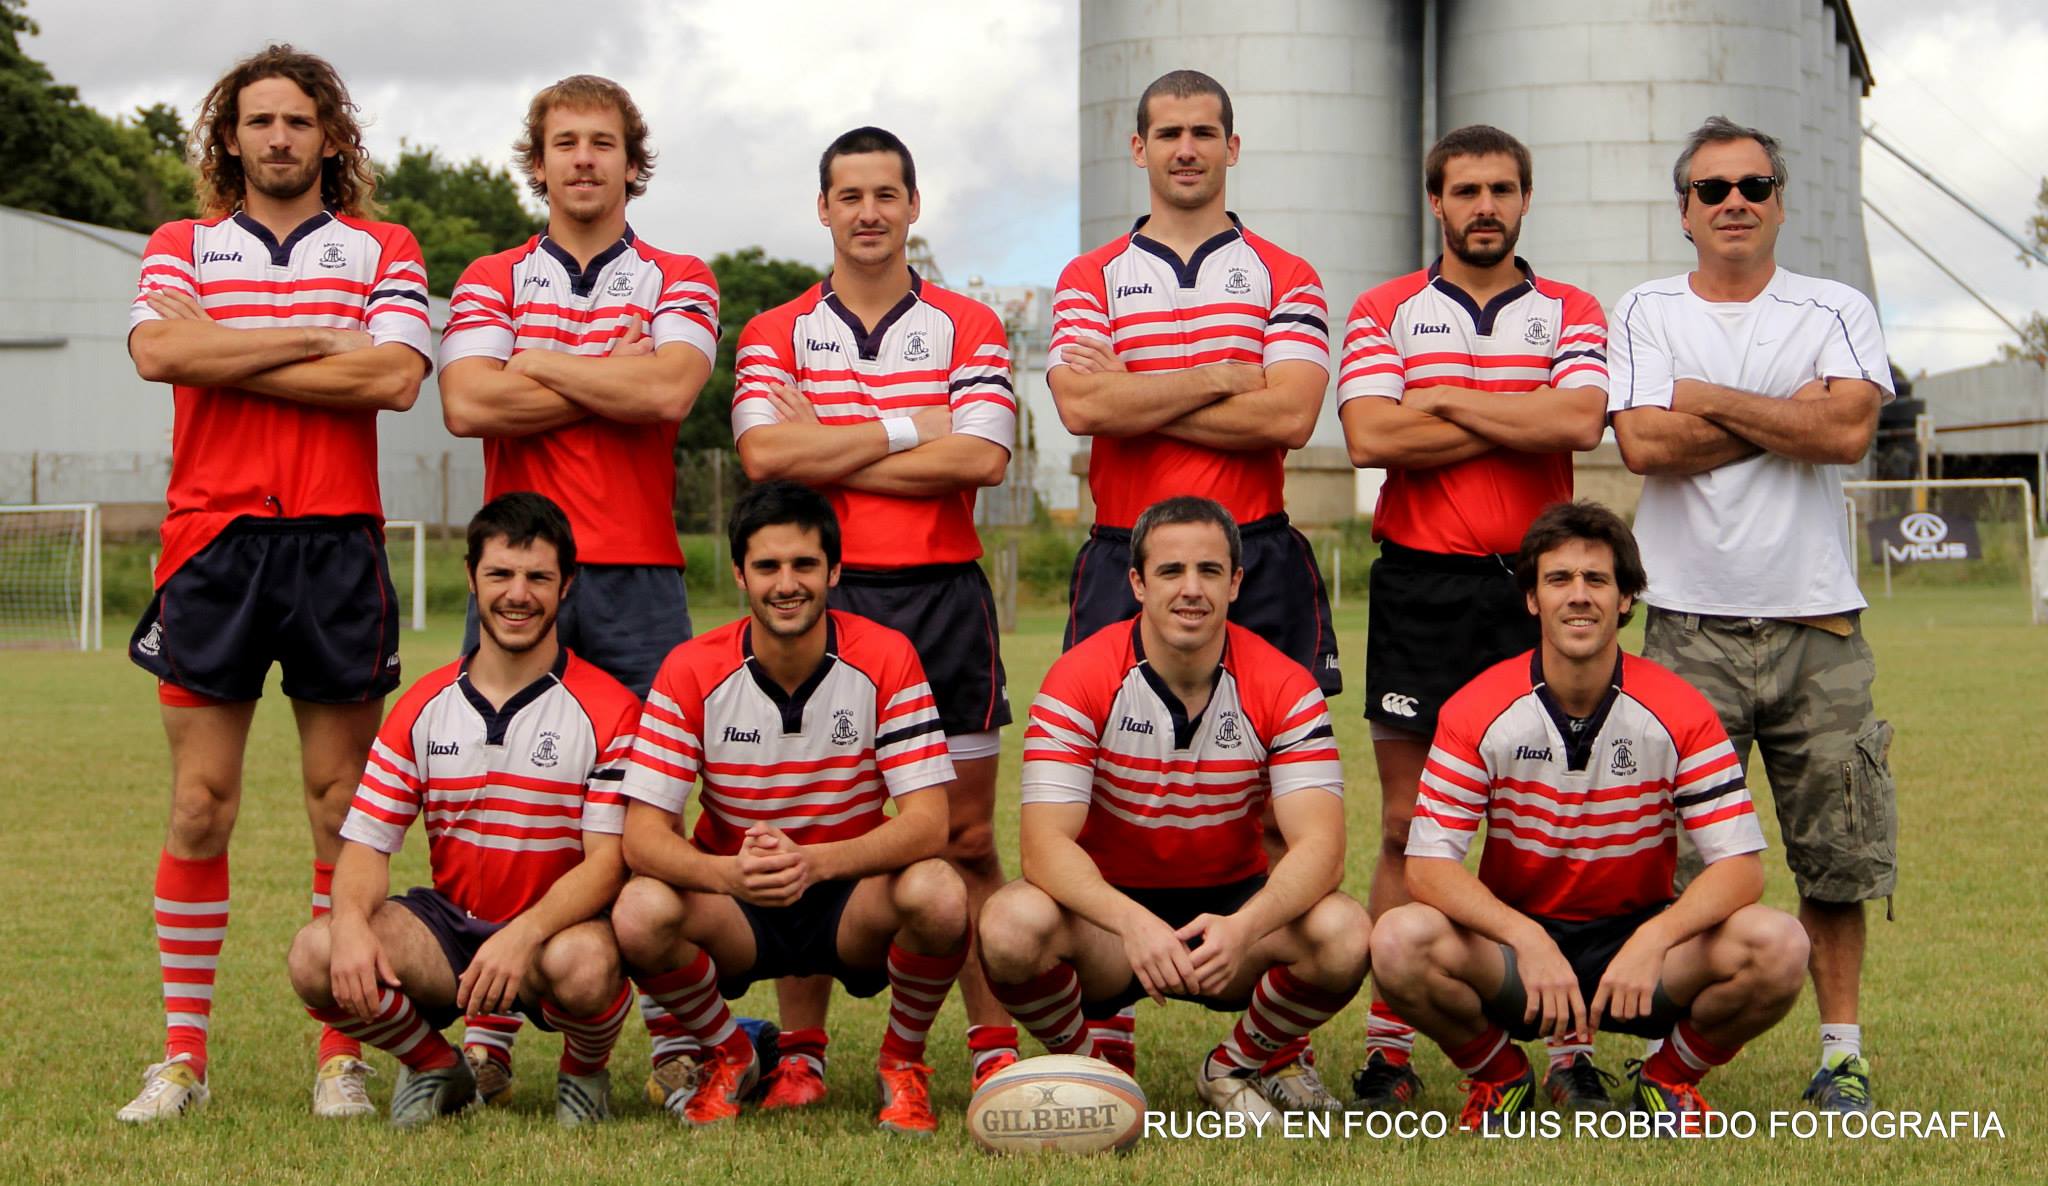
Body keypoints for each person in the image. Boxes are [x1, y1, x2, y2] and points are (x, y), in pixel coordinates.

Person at [118, 44, 432, 1123]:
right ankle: (181, 1060)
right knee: (200, 804)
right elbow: (161, 354)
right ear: (231, 138)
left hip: (336, 542)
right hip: (212, 541)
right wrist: (310, 337)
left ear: (330, 136)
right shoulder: (183, 242)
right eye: (259, 122)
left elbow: (392, 375)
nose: (280, 139)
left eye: (299, 121)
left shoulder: (383, 246)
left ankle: (339, 1055)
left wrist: (231, 345)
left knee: (339, 809)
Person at [1044, 65, 1340, 1085]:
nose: (1183, 147)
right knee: (1104, 783)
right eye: (1165, 131)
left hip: (1255, 547)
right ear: (1136, 148)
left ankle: (1268, 1043)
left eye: (1202, 131)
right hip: (1119, 547)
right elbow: (1080, 410)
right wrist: (1220, 374)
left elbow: (1290, 417)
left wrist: (1138, 389)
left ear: (1230, 146)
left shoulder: (1287, 274)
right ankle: (1109, 1006)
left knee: (1269, 795)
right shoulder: (1089, 276)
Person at [437, 73, 721, 1105]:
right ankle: (489, 1029)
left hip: (639, 570)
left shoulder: (681, 273)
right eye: (565, 142)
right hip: (519, 565)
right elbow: (467, 402)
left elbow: (669, 388)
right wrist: (600, 364)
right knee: (501, 796)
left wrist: (536, 362)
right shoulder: (488, 272)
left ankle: (672, 1036)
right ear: (540, 161)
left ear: (630, 161)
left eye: (603, 142)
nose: (584, 158)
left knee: (646, 807)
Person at [1607, 115, 1896, 1113]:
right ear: (1681, 209)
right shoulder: (1644, 307)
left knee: (1837, 853)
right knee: (1679, 856)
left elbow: (1849, 429)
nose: (1734, 201)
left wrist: (1707, 398)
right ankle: (1676, 1057)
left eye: (1753, 185)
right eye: (1712, 188)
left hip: (1819, 626)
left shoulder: (1834, 304)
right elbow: (1642, 444)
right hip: (1686, 627)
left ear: (1780, 199)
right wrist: (1786, 411)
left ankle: (1842, 1052)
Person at [730, 126, 1019, 1098]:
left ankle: (988, 1052)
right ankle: (805, 1054)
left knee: (966, 839)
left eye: (883, 194)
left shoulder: (969, 326)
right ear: (822, 209)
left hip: (942, 596)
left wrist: (831, 439)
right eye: (847, 195)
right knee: (808, 812)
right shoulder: (773, 331)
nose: (865, 212)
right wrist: (908, 425)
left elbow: (980, 457)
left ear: (911, 205)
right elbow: (767, 461)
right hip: (825, 595)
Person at [1370, 501, 1809, 1130]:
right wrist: (1525, 937)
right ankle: (1502, 1079)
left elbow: (1739, 868)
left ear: (1627, 599)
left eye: (1597, 580)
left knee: (1780, 944)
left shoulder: (1680, 709)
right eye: (1559, 580)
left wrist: (1654, 939)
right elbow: (1429, 868)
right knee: (1397, 940)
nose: (1579, 597)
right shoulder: (1477, 709)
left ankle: (1667, 1082)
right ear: (1531, 600)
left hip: (1640, 945)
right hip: (1517, 952)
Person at [1334, 124, 1609, 1110]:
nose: (1482, 205)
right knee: (1410, 824)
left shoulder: (1569, 308)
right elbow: (1369, 433)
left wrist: (1440, 399)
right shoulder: (1382, 308)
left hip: (1536, 589)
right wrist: (1506, 405)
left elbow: (1575, 420)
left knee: (1550, 823)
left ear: (1524, 200)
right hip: (1420, 585)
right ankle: (1387, 1045)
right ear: (1435, 203)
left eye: (1500, 189)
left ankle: (1570, 1050)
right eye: (1464, 191)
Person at [978, 497, 1369, 1116]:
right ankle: (1093, 1073)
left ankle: (1233, 1067)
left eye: (1210, 571)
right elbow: (1043, 847)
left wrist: (1243, 927)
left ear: (1237, 582)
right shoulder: (1078, 678)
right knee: (1009, 924)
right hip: (1110, 922)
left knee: (1344, 931)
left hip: (1228, 917)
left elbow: (1322, 849)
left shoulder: (1286, 685)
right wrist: (1130, 922)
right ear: (1137, 582)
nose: (1192, 590)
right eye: (1170, 571)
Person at [611, 481, 970, 1135]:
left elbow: (929, 823)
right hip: (738, 902)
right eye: (768, 566)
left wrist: (815, 861)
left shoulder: (886, 656)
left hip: (848, 899)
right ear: (740, 574)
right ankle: (734, 1053)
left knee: (940, 893)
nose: (786, 583)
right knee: (639, 911)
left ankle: (902, 1068)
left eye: (804, 565)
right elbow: (641, 836)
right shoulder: (691, 668)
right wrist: (728, 876)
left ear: (834, 570)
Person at [285, 493, 640, 1127]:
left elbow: (608, 864)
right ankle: (433, 1065)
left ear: (568, 585)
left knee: (585, 968)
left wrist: (523, 934)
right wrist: (349, 925)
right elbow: (366, 846)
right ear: (472, 578)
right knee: (315, 953)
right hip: (452, 931)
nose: (518, 594)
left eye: (538, 577)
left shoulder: (608, 708)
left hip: (553, 933)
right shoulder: (423, 705)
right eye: (500, 574)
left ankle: (585, 1074)